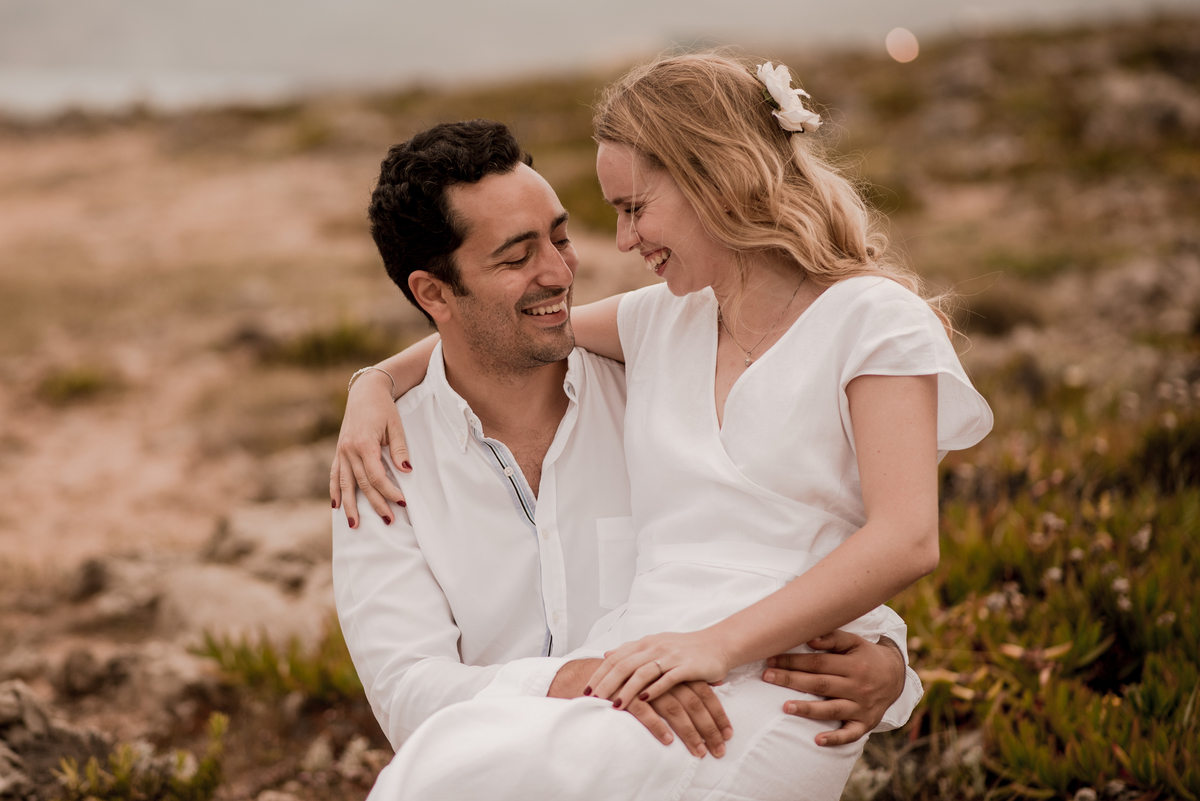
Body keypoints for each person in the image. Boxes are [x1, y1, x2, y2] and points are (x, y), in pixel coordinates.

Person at [337, 53, 992, 801]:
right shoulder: (660, 323)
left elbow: (905, 538)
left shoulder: (872, 319)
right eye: (521, 254)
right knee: (440, 760)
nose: (618, 242)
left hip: (754, 678)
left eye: (633, 208)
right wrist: (375, 381)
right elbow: (498, 332)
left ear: (714, 178)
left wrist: (738, 648)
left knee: (462, 777)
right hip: (638, 662)